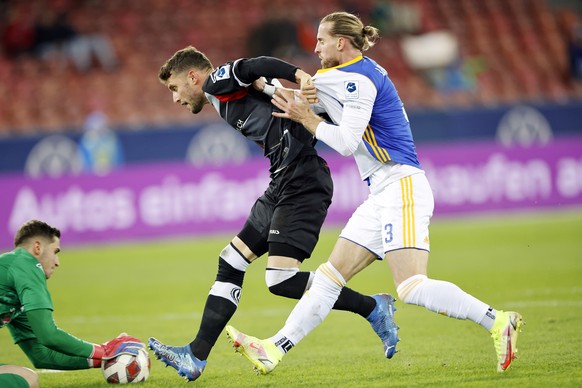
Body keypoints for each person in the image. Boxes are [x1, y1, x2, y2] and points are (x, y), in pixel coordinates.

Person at [225, 11, 525, 374]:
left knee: (412, 286)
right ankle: (274, 349)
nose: (315, 47)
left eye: (321, 41)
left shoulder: (359, 80)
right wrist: (264, 88)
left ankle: (497, 320)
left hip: (402, 186)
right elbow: (310, 102)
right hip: (381, 192)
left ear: (341, 42)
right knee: (329, 277)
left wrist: (307, 118)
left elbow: (347, 142)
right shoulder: (339, 77)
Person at [148, 47, 399, 382]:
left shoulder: (215, 82)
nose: (176, 98)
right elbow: (263, 85)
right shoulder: (225, 93)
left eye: (174, 88)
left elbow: (255, 65)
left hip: (301, 182)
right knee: (231, 261)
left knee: (280, 280)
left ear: (193, 77)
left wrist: (299, 75)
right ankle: (195, 356)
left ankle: (372, 307)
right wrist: (271, 88)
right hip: (282, 181)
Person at [0, 220, 145, 387]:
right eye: (55, 252)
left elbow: (42, 356)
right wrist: (103, 350)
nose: (57, 262)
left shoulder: (12, 276)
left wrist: (107, 359)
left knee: (26, 375)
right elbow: (49, 335)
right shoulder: (26, 264)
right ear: (37, 248)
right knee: (28, 380)